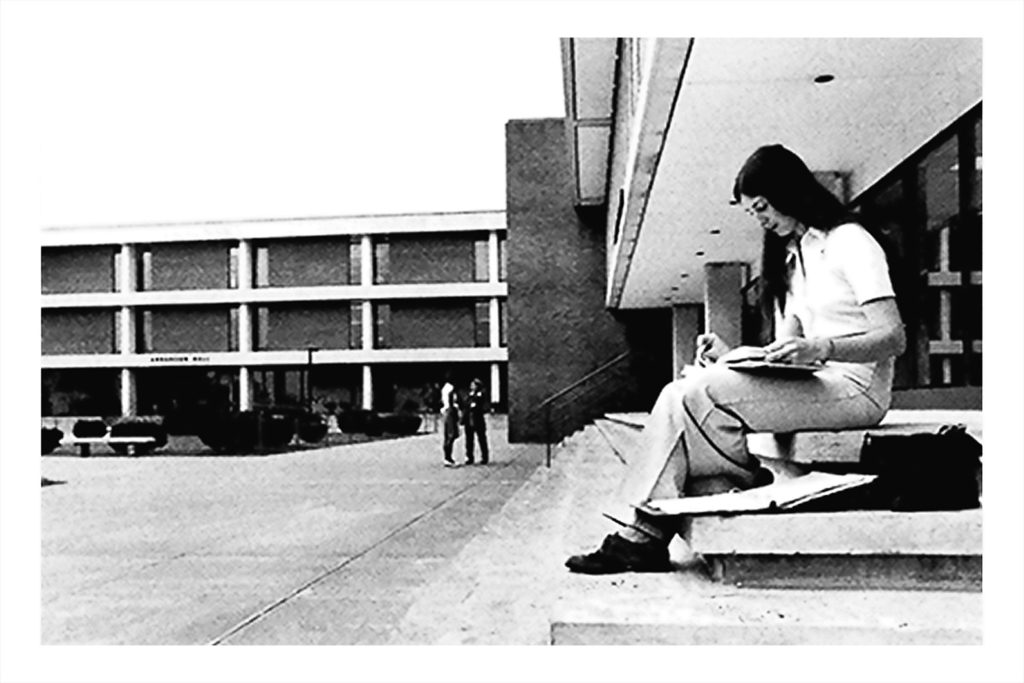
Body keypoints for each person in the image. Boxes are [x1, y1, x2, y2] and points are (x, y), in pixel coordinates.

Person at [566, 144, 906, 574]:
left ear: (789, 192)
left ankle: (662, 523)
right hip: (820, 382)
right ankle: (677, 514)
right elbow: (784, 353)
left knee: (694, 397)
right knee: (685, 390)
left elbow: (893, 338)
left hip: (859, 389)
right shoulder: (792, 258)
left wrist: (822, 348)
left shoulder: (851, 242)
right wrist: (735, 358)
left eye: (762, 206)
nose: (760, 219)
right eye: (752, 212)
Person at [462, 378, 490, 465]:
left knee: (481, 438)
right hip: (469, 420)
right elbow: (466, 406)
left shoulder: (480, 395)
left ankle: (484, 457)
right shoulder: (469, 395)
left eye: (473, 385)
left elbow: (480, 405)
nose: (472, 386)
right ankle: (469, 456)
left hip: (478, 419)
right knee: (469, 440)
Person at [440, 375, 461, 467]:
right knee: (451, 435)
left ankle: (447, 457)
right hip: (450, 411)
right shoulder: (450, 389)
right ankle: (448, 457)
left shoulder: (445, 388)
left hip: (447, 411)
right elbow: (451, 401)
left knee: (448, 435)